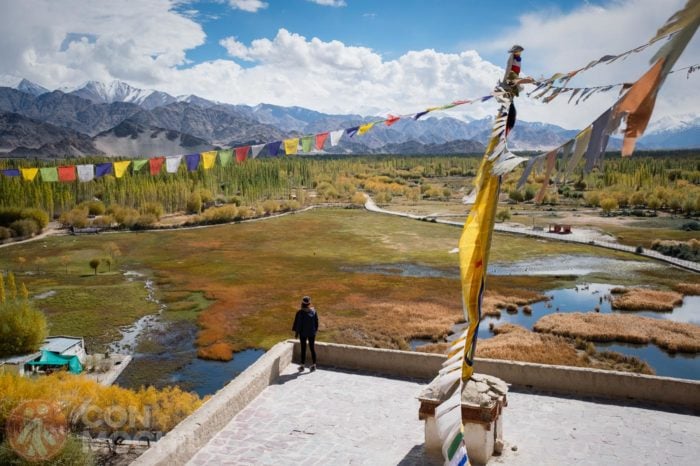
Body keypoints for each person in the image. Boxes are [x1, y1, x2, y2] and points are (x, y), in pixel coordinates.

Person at [292, 296, 319, 371]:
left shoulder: (300, 313)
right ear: (309, 303)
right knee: (312, 348)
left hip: (303, 334)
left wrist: (297, 334)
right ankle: (314, 365)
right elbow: (316, 322)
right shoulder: (314, 311)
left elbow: (298, 324)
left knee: (303, 349)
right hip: (312, 333)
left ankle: (302, 365)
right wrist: (314, 330)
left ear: (302, 303)